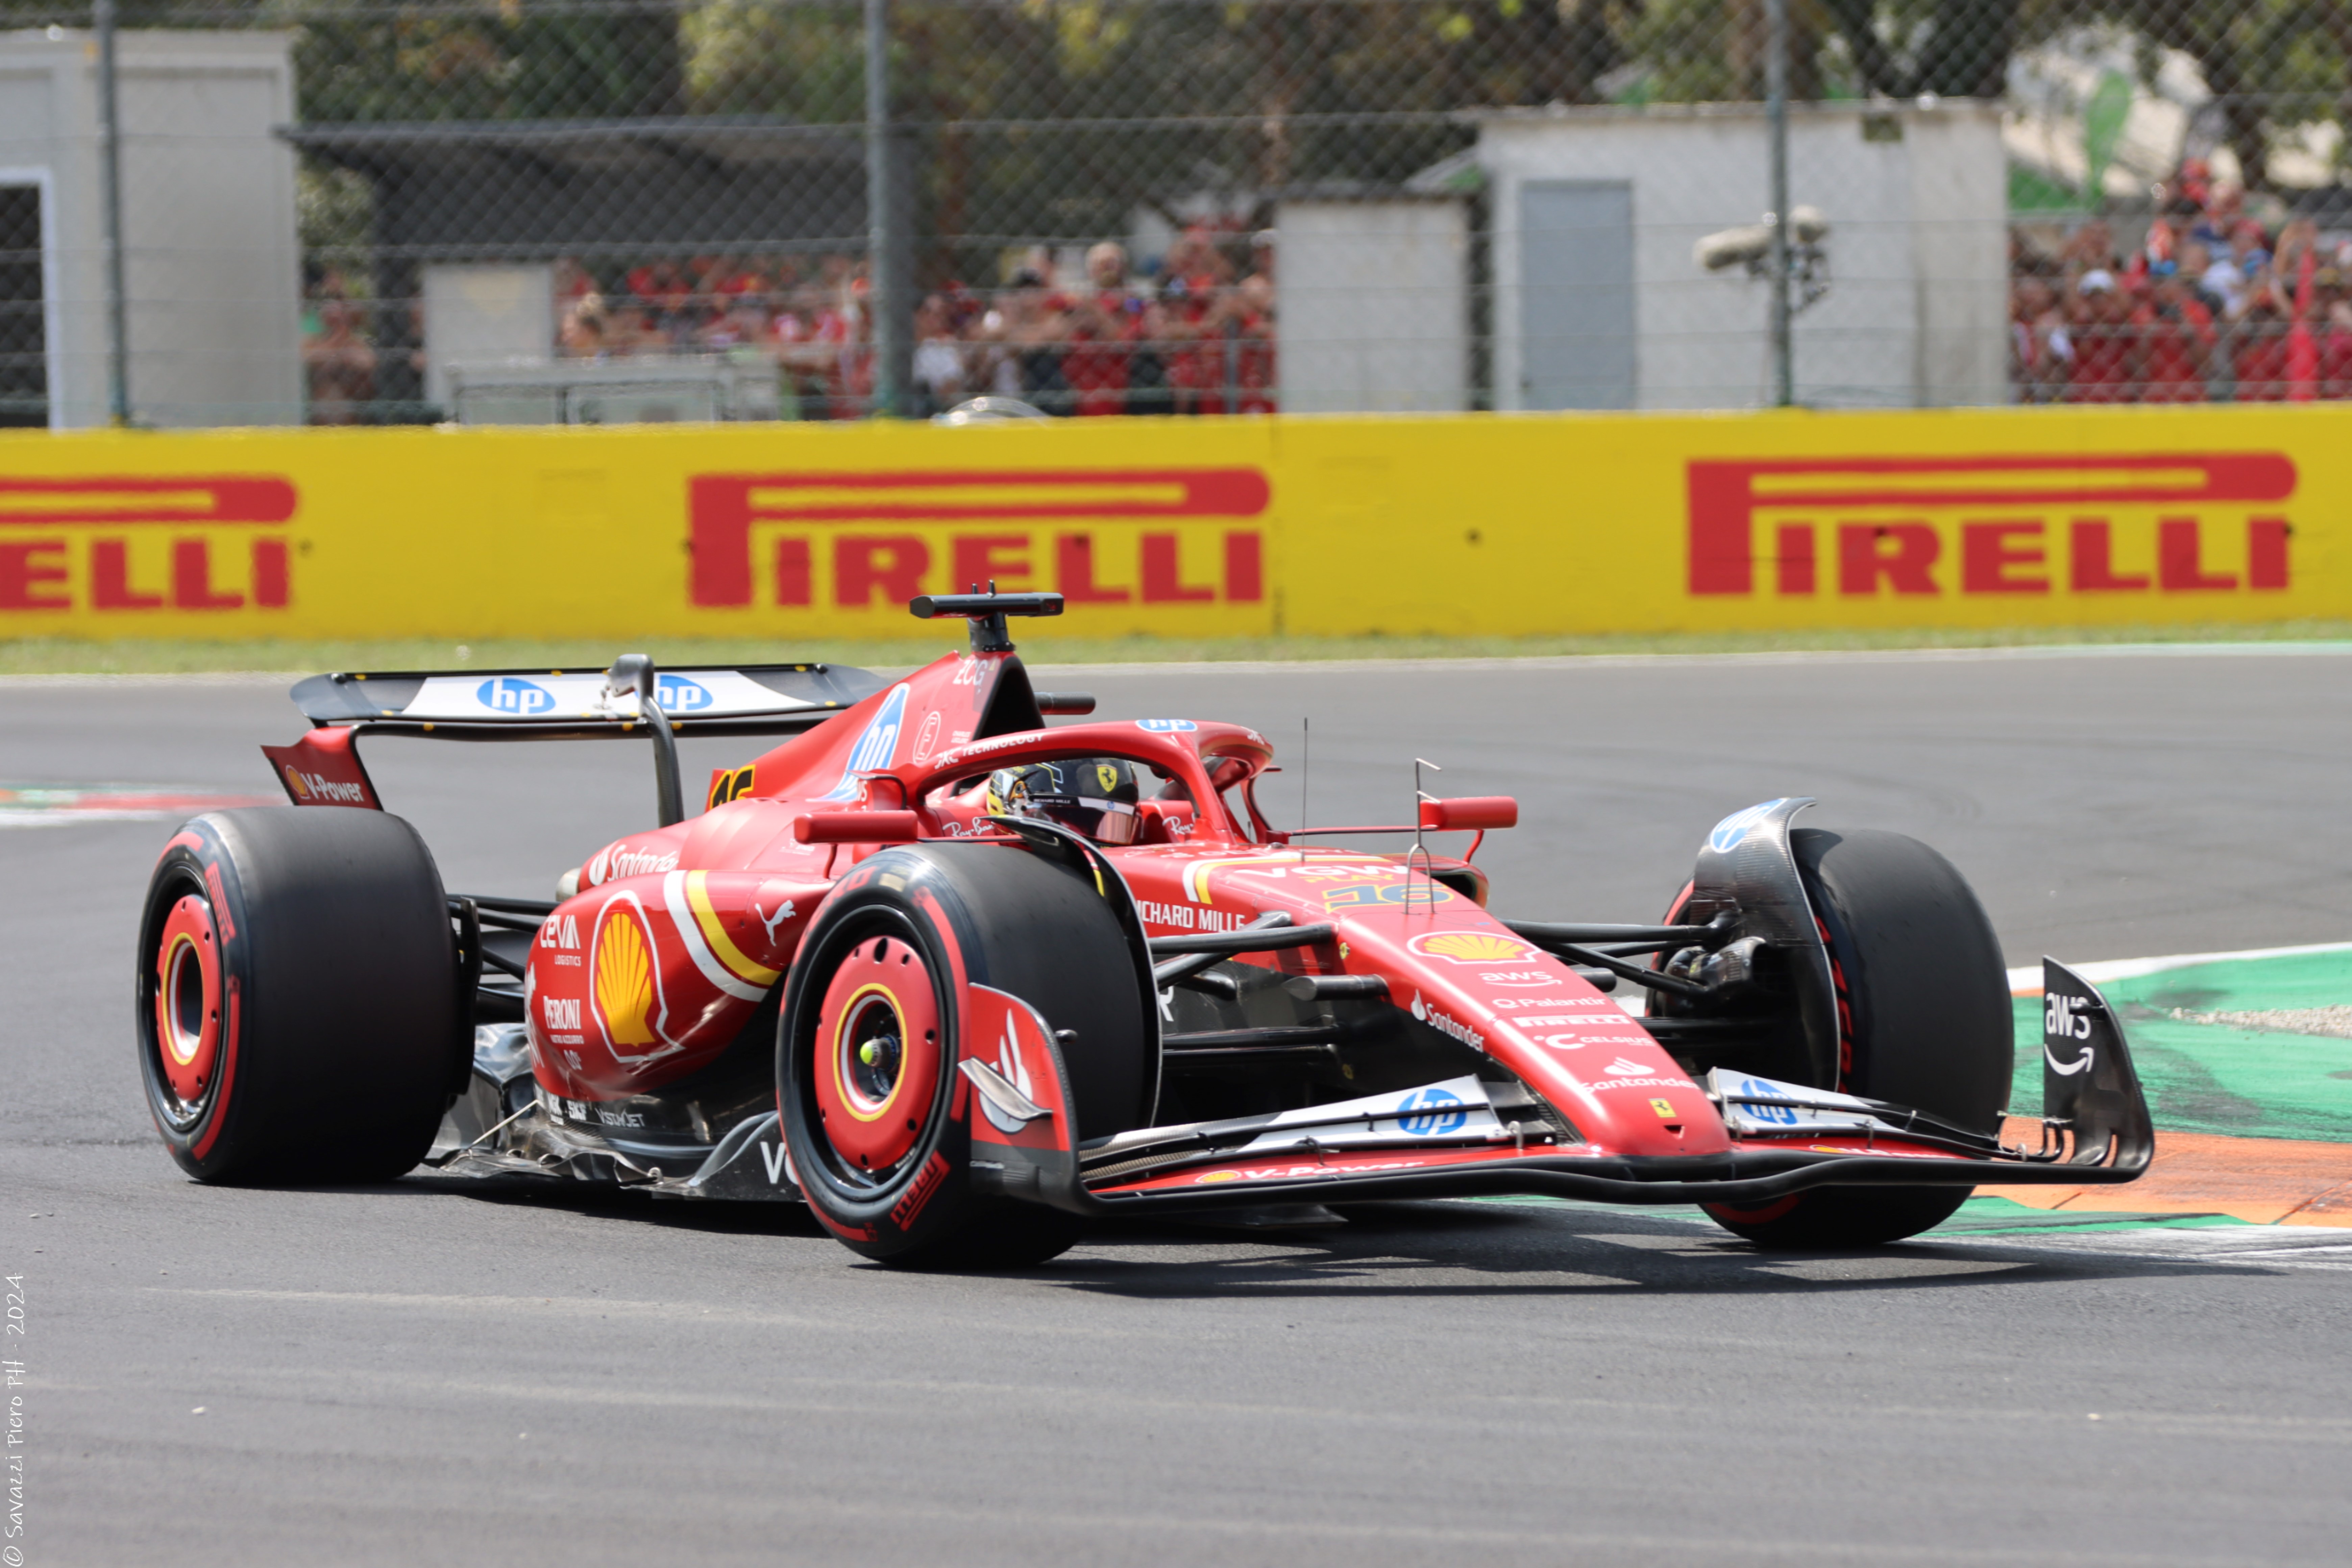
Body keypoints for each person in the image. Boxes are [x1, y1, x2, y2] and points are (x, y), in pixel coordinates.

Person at [1065, 242, 1143, 416]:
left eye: (1111, 262)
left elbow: (1126, 341)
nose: (1106, 268)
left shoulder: (1133, 301)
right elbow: (1062, 333)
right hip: (1079, 380)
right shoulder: (1076, 301)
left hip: (1117, 381)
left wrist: (1096, 314)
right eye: (1100, 263)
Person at [2133, 261, 2214, 402]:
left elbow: (2207, 366)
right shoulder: (2143, 314)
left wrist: (2190, 333)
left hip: (2191, 394)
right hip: (2153, 395)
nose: (2164, 288)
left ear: (2179, 284)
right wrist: (2148, 336)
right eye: (2158, 283)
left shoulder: (2197, 312)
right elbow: (2135, 367)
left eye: (2169, 282)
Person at [302, 295, 377, 424]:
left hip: (351, 398)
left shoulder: (357, 342)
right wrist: (336, 342)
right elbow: (307, 357)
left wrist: (343, 346)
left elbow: (368, 362)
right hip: (320, 396)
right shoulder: (313, 341)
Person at [2064, 270, 2137, 402]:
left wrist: (2110, 270)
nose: (2098, 301)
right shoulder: (2080, 326)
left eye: (2103, 296)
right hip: (2085, 396)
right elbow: (2071, 307)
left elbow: (2126, 306)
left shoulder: (2119, 323)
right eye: (2093, 297)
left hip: (2117, 396)